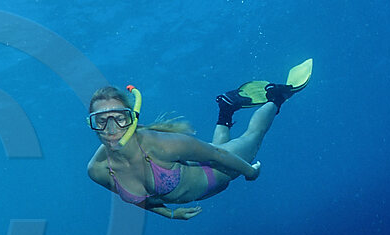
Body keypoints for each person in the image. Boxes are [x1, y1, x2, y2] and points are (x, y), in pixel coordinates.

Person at [86, 60, 311, 220]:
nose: (112, 128)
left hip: (218, 171)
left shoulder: (159, 144)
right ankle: (226, 109)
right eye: (101, 120)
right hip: (207, 179)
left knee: (252, 137)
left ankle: (278, 95)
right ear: (91, 124)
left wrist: (250, 172)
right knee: (219, 144)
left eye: (119, 118)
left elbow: (217, 155)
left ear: (132, 117)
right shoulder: (98, 170)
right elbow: (141, 200)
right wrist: (170, 214)